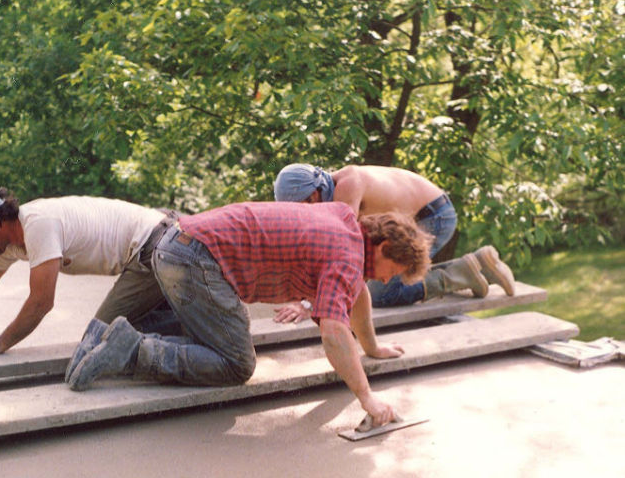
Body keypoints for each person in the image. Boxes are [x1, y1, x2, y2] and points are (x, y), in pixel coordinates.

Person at [66, 201, 433, 428]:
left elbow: (357, 297)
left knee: (215, 334)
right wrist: (367, 398)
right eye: (394, 270)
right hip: (197, 261)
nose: (389, 279)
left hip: (177, 245)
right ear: (383, 246)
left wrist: (371, 348)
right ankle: (132, 350)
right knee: (236, 363)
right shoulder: (348, 256)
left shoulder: (346, 223)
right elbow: (335, 332)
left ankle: (111, 337)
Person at [0, 185, 177, 359]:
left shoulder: (38, 225)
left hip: (155, 246)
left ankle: (183, 325)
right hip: (148, 248)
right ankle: (178, 316)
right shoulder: (7, 244)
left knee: (98, 342)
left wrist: (1, 342)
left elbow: (41, 301)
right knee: (112, 335)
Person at [272, 163, 515, 323]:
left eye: (301, 207)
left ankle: (459, 275)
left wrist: (306, 303)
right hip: (416, 218)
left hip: (434, 217)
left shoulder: (346, 192)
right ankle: (475, 264)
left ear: (314, 194)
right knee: (365, 290)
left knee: (380, 293)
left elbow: (344, 256)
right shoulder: (335, 186)